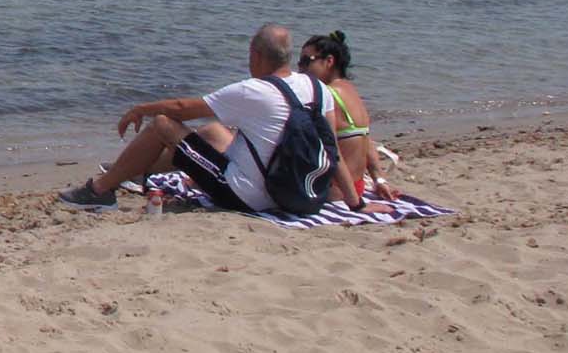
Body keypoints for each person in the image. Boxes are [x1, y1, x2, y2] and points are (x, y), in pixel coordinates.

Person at [59, 24, 336, 213]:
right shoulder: (317, 88)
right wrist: (354, 202)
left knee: (162, 125)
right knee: (213, 131)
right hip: (301, 192)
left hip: (249, 197)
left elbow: (180, 109)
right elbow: (331, 149)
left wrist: (141, 109)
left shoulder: (253, 91)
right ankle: (135, 171)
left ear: (256, 55)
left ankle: (99, 191)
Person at [298, 31, 397, 204]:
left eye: (306, 61)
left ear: (329, 61)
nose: (300, 67)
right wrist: (379, 180)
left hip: (335, 192)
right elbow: (367, 143)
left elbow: (333, 152)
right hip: (357, 187)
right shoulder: (351, 91)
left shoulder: (326, 95)